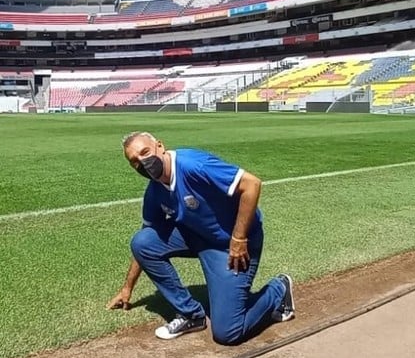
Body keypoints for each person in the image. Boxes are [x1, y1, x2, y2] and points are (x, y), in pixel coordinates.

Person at [107, 131, 294, 344]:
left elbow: (252, 184)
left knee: (228, 333)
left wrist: (239, 239)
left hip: (232, 245)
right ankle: (191, 315)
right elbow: (144, 243)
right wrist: (127, 288)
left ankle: (279, 289)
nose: (143, 162)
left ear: (160, 146)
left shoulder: (194, 165)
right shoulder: (154, 191)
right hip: (197, 235)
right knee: (142, 242)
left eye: (145, 152)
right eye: (135, 161)